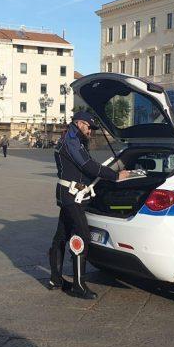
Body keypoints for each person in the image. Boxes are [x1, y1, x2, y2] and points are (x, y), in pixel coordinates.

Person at [48, 112, 131, 299]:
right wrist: (115, 175)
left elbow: (86, 168)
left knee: (61, 235)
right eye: (88, 127)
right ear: (79, 123)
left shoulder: (71, 138)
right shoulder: (71, 141)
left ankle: (55, 279)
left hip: (71, 193)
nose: (91, 132)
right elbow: (88, 165)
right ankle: (78, 285)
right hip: (71, 195)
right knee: (82, 235)